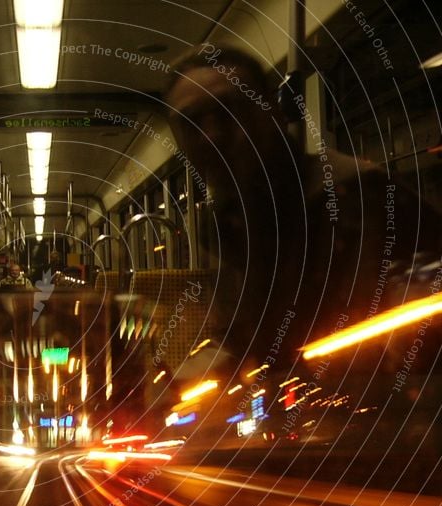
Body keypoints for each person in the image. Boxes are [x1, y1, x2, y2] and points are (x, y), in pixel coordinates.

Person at [163, 43, 442, 367]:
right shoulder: (226, 223)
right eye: (191, 122)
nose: (211, 135)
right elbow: (262, 330)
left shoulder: (353, 198)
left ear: (274, 111)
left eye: (230, 110)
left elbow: (344, 338)